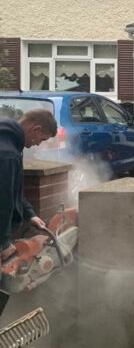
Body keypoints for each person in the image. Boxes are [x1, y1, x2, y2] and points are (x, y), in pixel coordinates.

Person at [0, 109, 58, 262]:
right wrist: (4, 243)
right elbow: (3, 201)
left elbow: (10, 188)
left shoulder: (7, 140)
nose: (38, 144)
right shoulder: (8, 155)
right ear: (35, 129)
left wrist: (29, 213)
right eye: (42, 139)